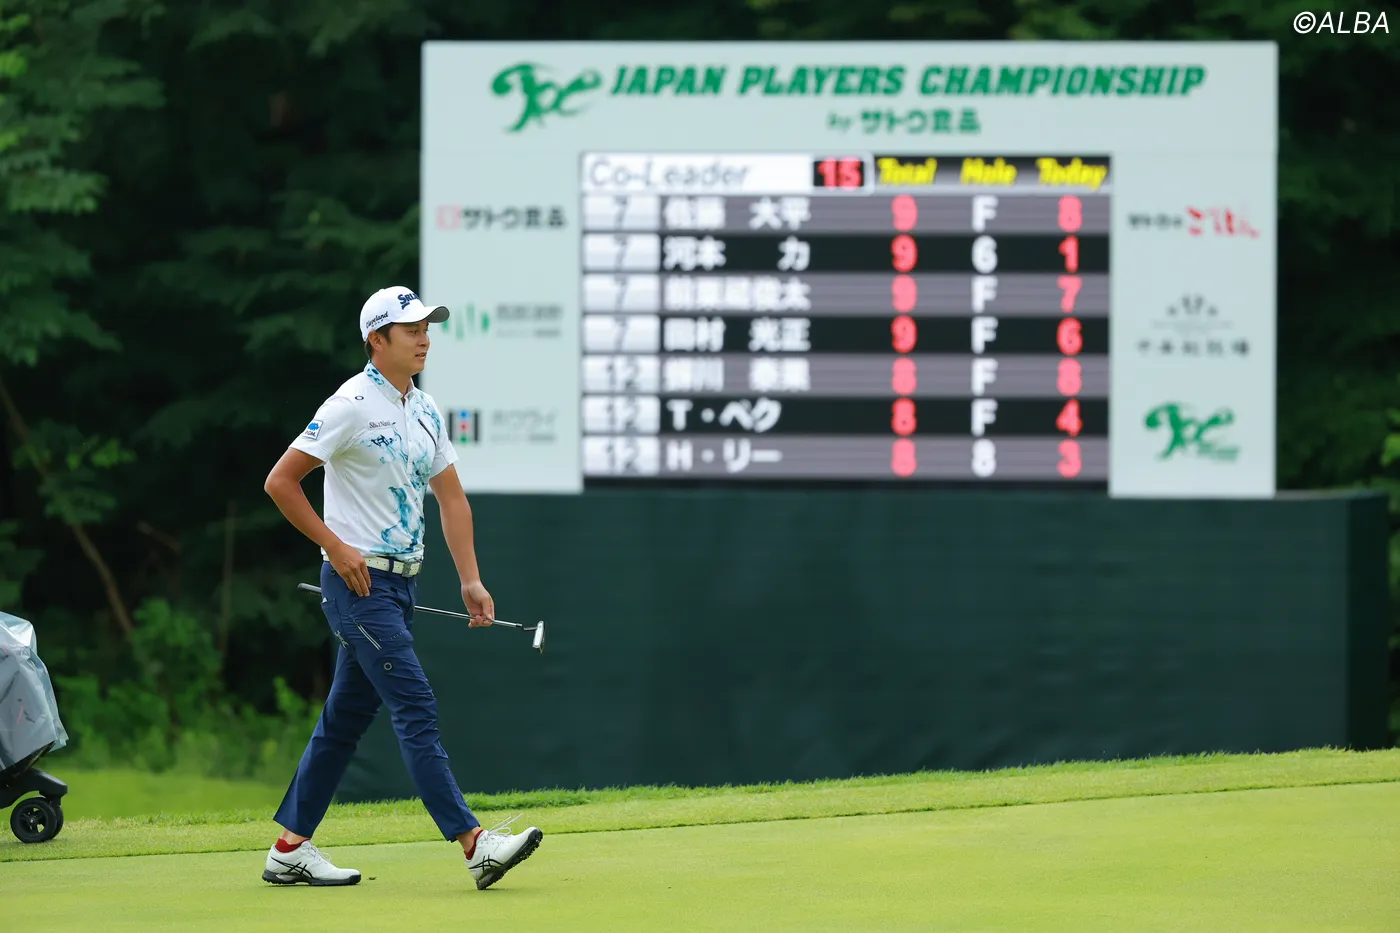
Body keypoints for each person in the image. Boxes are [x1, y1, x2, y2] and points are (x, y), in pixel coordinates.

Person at [259, 286, 542, 890]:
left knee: (344, 720)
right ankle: (475, 845)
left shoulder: (426, 408)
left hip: (400, 587)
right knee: (415, 705)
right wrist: (335, 545)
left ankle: (289, 849)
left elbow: (452, 498)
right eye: (411, 330)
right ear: (377, 340)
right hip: (356, 586)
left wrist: (470, 578)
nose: (424, 339)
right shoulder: (350, 404)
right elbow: (281, 482)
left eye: (427, 328)